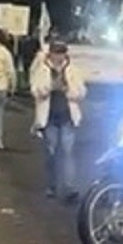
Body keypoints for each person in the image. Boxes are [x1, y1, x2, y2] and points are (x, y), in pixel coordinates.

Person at [31, 41, 86, 200]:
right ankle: (51, 185)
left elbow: (82, 92)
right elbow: (35, 90)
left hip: (67, 117)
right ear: (50, 54)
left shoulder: (73, 70)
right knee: (52, 152)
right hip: (49, 118)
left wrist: (68, 90)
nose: (58, 56)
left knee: (68, 153)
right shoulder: (42, 69)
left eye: (61, 53)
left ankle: (70, 187)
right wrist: (48, 88)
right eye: (56, 53)